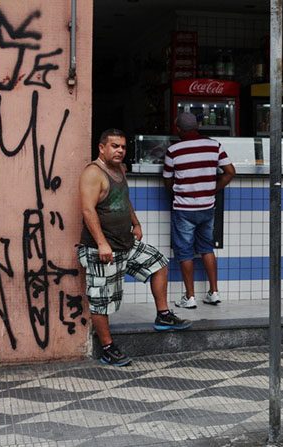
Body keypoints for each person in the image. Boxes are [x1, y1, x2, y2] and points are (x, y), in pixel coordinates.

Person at [78, 129, 192, 367]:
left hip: (126, 244)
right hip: (103, 248)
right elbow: (88, 210)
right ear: (101, 148)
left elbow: (125, 199)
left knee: (158, 263)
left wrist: (136, 222)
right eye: (114, 146)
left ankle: (163, 316)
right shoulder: (92, 173)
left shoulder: (120, 169)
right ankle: (107, 348)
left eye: (122, 146)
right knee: (101, 300)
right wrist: (101, 243)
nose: (119, 150)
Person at [163, 112, 236, 308]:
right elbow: (230, 172)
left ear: (178, 129)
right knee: (207, 248)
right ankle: (213, 292)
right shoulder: (214, 146)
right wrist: (213, 188)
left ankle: (190, 297)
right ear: (197, 127)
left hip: (184, 208)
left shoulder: (173, 150)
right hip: (207, 207)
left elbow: (168, 180)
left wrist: (179, 192)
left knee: (185, 252)